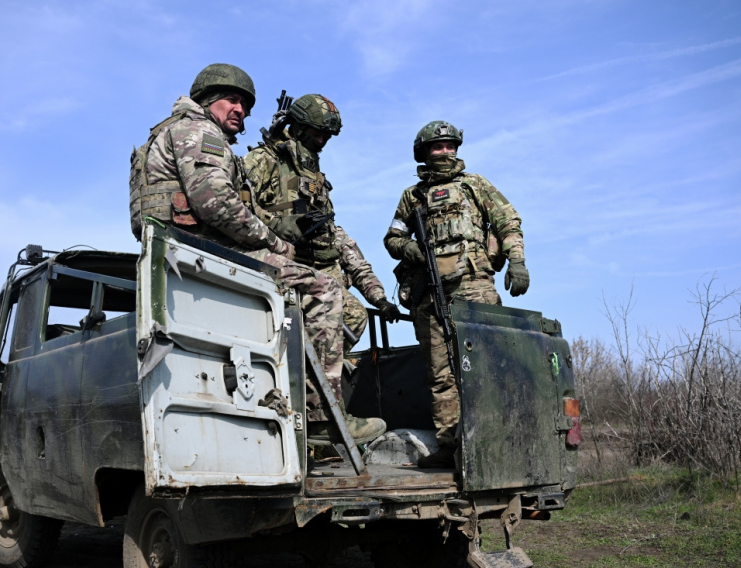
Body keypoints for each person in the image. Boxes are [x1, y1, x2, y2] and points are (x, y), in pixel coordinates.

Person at [130, 64, 385, 445]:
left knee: (343, 311)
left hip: (182, 252)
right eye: (232, 100)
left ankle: (295, 394)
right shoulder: (200, 132)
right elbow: (217, 202)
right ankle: (320, 418)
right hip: (206, 251)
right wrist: (275, 241)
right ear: (207, 100)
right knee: (324, 290)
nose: (240, 110)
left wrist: (375, 289)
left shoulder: (170, 132)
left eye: (245, 105)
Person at [383, 120, 529, 467]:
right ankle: (451, 446)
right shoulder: (412, 196)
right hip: (430, 293)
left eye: (450, 146)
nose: (445, 152)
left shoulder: (475, 185)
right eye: (438, 147)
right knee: (440, 373)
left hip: (473, 286)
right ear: (424, 153)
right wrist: (409, 249)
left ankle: (493, 445)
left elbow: (508, 222)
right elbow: (392, 238)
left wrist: (517, 261)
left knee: (484, 369)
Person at [243, 93, 401, 352]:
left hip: (323, 270)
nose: (322, 141)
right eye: (318, 133)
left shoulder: (316, 177)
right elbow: (241, 208)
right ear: (299, 126)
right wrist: (279, 225)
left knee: (355, 316)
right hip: (285, 265)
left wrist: (379, 298)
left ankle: (318, 379)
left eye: (327, 135)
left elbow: (336, 238)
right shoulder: (264, 160)